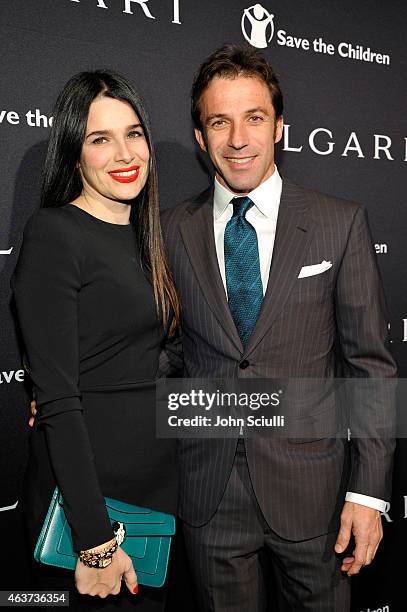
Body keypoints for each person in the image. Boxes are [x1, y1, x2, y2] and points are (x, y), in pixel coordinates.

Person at [161, 44, 396, 611]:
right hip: (208, 493)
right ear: (200, 136)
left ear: (280, 126)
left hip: (315, 495)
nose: (238, 138)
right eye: (220, 121)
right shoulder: (170, 230)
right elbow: (164, 356)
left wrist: (368, 494)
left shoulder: (339, 223)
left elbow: (369, 367)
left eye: (254, 118)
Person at [12, 70, 180, 611]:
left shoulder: (149, 236)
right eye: (99, 139)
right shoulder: (55, 234)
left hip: (158, 497)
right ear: (74, 153)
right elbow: (58, 400)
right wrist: (95, 542)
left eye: (134, 133)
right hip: (93, 510)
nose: (123, 153)